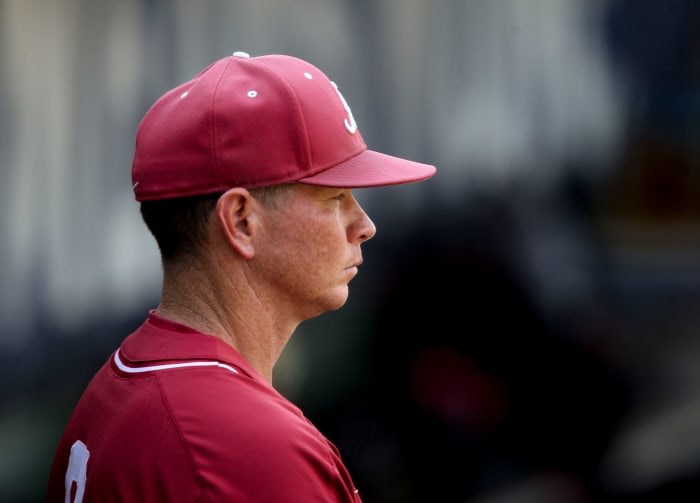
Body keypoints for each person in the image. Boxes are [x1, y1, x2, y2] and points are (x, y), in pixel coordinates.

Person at [46, 51, 435, 502]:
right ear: (242, 221)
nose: (364, 225)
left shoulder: (110, 396)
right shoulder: (244, 448)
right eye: (335, 197)